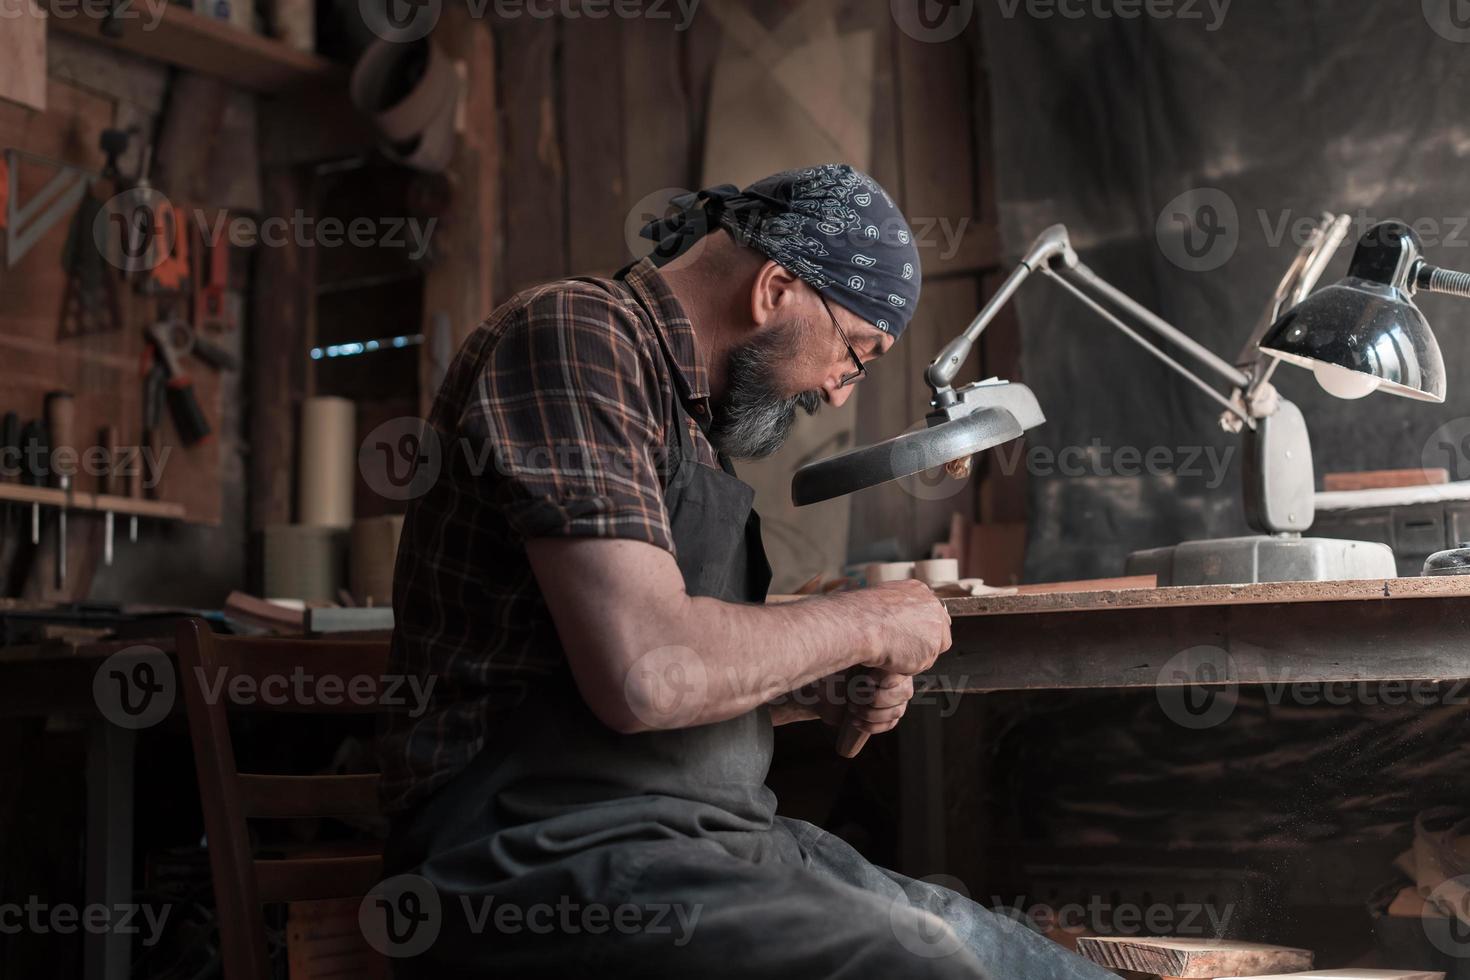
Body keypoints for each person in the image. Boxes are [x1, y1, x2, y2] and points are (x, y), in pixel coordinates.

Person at [377, 163, 1113, 978]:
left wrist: (813, 682)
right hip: (529, 852)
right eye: (856, 353)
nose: (840, 394)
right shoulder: (575, 338)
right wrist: (864, 621)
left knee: (1018, 959)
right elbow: (647, 672)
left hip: (700, 841)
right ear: (775, 290)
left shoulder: (690, 414)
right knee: (921, 964)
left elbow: (650, 664)